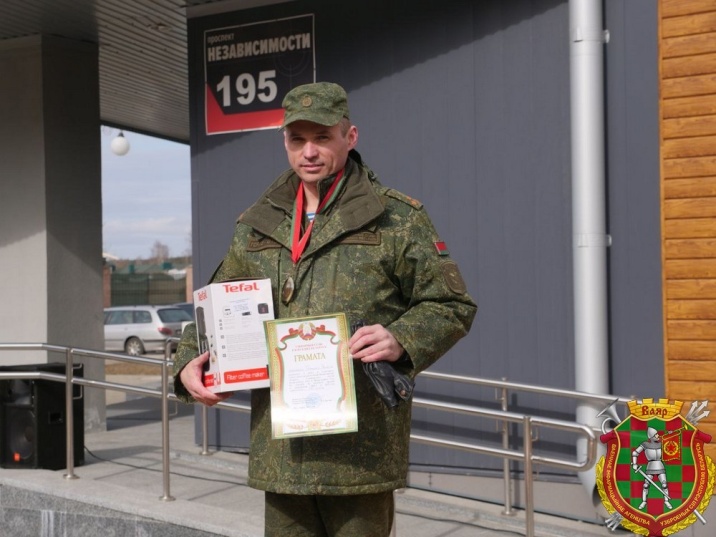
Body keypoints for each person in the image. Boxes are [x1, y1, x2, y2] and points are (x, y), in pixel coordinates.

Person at [173, 81, 477, 536]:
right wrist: (186, 364)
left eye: (322, 137)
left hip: (360, 451)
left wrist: (401, 338)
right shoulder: (258, 224)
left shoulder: (395, 218)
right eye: (297, 139)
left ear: (350, 137)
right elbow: (218, 306)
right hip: (283, 453)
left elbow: (451, 304)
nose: (309, 151)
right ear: (285, 142)